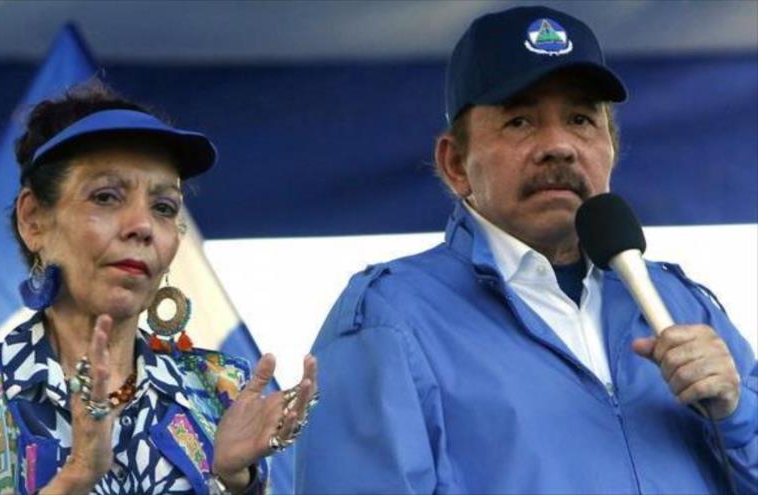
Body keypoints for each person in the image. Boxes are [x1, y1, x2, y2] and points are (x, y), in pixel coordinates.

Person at [296, 5, 756, 494]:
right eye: (520, 121)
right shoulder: (389, 316)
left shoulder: (682, 306)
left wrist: (737, 413)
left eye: (580, 119)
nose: (558, 146)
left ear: (612, 149)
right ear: (456, 164)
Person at [0, 81, 317, 495]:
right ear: (33, 220)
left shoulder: (220, 386)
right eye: (106, 197)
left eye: (164, 207)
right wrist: (76, 478)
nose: (142, 226)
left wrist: (236, 481)